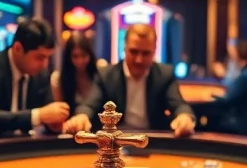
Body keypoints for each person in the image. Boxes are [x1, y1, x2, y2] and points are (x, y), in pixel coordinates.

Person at [63, 24, 195, 137]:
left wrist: (185, 117)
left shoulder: (165, 75)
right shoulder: (106, 75)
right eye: (133, 52)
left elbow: (179, 105)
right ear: (124, 48)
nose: (139, 59)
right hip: (114, 142)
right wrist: (82, 116)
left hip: (152, 141)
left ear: (154, 51)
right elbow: (89, 105)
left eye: (145, 53)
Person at [0, 18, 69, 137]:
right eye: (39, 57)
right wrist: (38, 116)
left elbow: (48, 114)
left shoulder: (41, 74)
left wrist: (55, 123)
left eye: (48, 57)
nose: (45, 64)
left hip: (22, 149)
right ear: (17, 48)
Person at [205, 40, 247, 136]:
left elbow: (226, 101)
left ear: (241, 56)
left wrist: (210, 96)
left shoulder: (245, 77)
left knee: (207, 124)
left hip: (242, 126)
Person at [51, 32, 99, 106]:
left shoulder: (100, 70)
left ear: (90, 54)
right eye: (75, 56)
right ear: (68, 57)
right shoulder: (58, 79)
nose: (80, 61)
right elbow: (60, 110)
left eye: (84, 55)